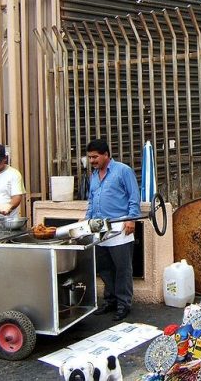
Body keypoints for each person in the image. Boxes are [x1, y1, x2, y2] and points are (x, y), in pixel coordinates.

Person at [85, 138, 141, 322]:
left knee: (122, 269)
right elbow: (92, 200)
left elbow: (134, 196)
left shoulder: (123, 171)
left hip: (120, 226)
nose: (92, 161)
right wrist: (87, 222)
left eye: (95, 157)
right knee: (104, 267)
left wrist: (132, 219)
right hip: (99, 227)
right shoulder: (93, 176)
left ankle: (123, 304)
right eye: (90, 157)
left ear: (106, 155)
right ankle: (109, 301)